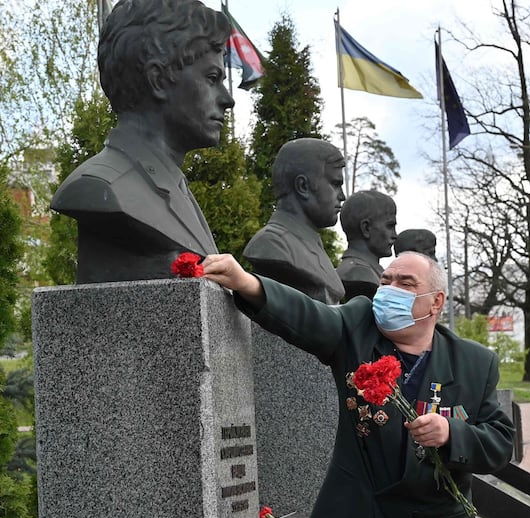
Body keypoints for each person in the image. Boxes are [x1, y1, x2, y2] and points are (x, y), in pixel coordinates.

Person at [203, 251, 514, 518]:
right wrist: (246, 282)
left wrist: (452, 433)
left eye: (405, 284)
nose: (390, 290)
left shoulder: (475, 363)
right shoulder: (359, 327)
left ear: (435, 302)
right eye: (386, 281)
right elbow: (311, 317)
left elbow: (500, 443)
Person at [51, 0, 234, 284]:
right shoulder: (100, 186)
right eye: (212, 78)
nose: (227, 99)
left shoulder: (174, 186)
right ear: (158, 79)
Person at [243, 138, 346, 304]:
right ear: (303, 186)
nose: (342, 196)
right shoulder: (272, 244)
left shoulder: (309, 244)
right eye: (335, 184)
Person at [336, 190, 398, 301]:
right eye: (390, 226)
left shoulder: (370, 271)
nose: (395, 235)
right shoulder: (358, 273)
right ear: (366, 228)